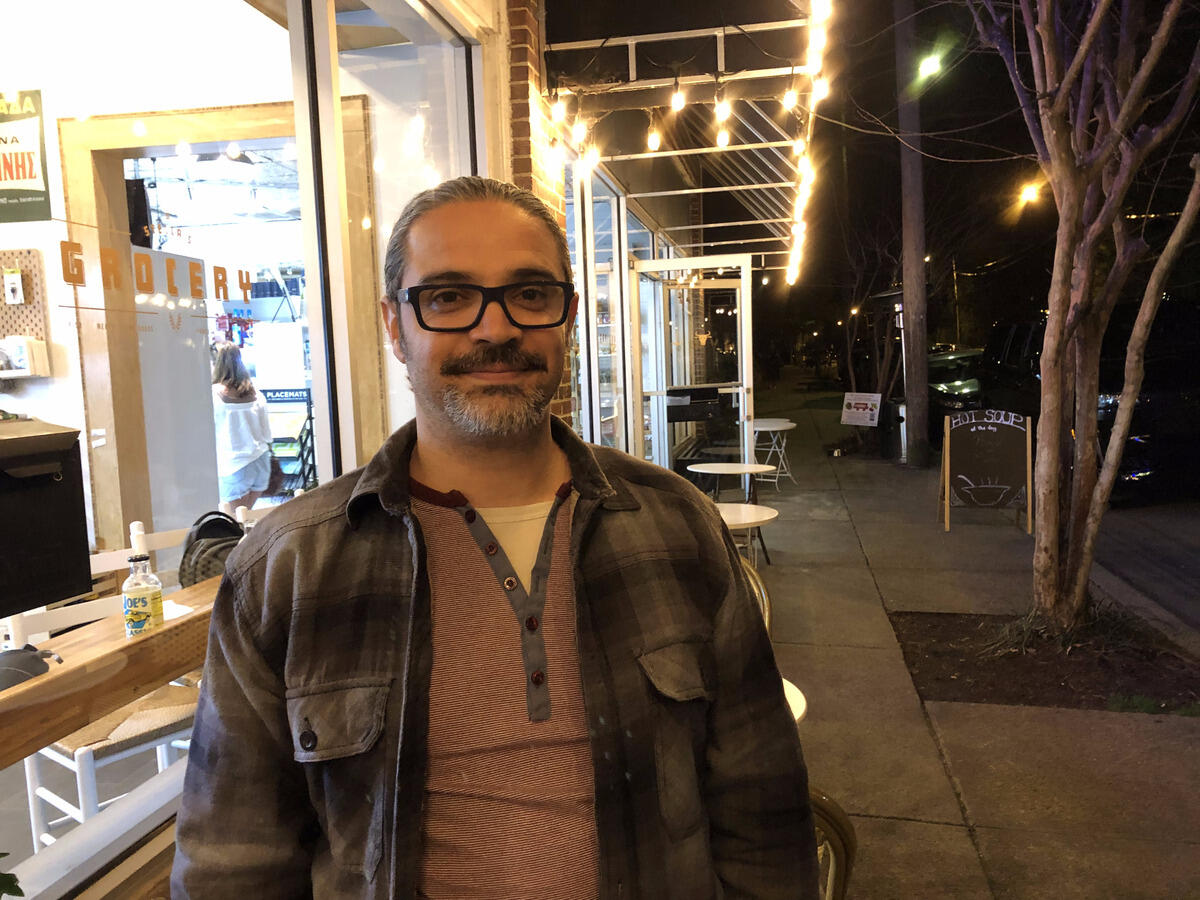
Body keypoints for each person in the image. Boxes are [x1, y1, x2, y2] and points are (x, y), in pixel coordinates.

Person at [172, 176, 819, 898]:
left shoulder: (676, 527)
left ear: (566, 315)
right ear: (395, 326)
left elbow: (765, 818)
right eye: (448, 297)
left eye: (530, 293)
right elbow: (232, 864)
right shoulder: (289, 567)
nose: (496, 328)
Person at [210, 341, 272, 511]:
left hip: (235, 465)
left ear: (215, 364)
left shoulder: (213, 395)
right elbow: (267, 435)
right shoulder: (256, 393)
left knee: (235, 522)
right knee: (246, 516)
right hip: (260, 462)